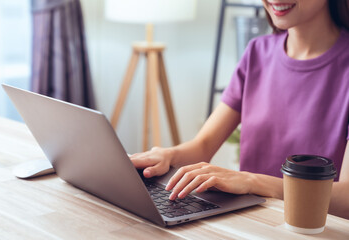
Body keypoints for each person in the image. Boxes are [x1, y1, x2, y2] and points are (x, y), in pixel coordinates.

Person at [130, 0, 349, 219]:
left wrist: (252, 182)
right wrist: (167, 155)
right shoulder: (257, 52)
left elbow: (346, 197)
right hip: (248, 222)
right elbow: (203, 145)